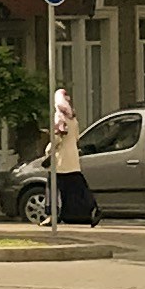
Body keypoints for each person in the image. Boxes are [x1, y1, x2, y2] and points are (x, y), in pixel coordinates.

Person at [46, 88, 95, 227]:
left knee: (53, 188)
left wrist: (48, 150)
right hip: (73, 159)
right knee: (74, 189)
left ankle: (52, 215)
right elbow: (76, 137)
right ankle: (77, 214)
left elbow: (57, 138)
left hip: (60, 161)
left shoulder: (59, 117)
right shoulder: (73, 118)